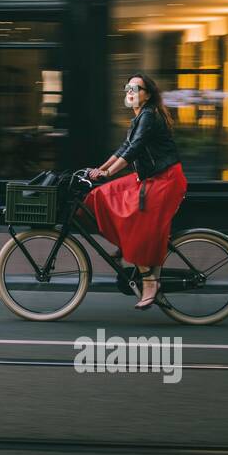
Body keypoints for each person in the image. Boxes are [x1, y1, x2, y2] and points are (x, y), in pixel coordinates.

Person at [83, 73, 187, 309]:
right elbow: (124, 147)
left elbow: (135, 150)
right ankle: (124, 245)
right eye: (127, 87)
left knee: (135, 223)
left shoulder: (149, 115)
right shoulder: (139, 117)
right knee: (100, 195)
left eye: (136, 88)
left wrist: (108, 174)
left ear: (147, 95)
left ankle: (150, 283)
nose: (130, 91)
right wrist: (100, 169)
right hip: (149, 177)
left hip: (165, 180)